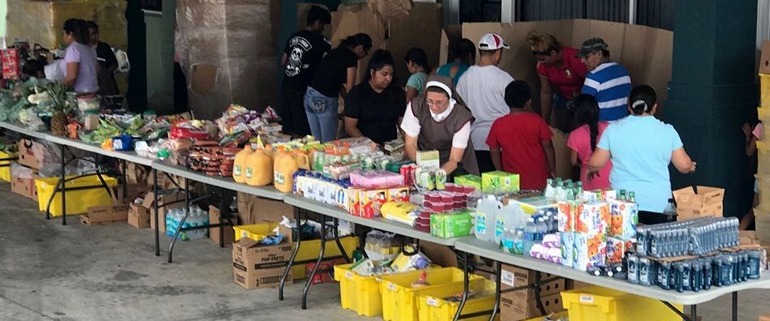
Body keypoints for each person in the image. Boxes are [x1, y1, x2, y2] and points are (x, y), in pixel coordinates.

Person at [588, 85, 696, 224]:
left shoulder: (613, 130)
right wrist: (691, 167)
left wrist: (593, 169)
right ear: (655, 107)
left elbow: (595, 163)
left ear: (629, 106)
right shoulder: (667, 131)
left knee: (623, 245)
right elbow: (683, 165)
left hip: (622, 205)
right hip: (658, 205)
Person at [456, 33, 515, 173]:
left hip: (474, 141)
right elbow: (516, 108)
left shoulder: (464, 78)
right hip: (500, 142)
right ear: (498, 53)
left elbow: (459, 107)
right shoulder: (504, 78)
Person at [400, 75, 478, 176]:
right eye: (430, 101)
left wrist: (437, 175)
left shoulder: (461, 117)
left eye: (439, 102)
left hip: (453, 164)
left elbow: (454, 160)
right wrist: (423, 170)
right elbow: (410, 145)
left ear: (449, 98)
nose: (434, 107)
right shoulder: (417, 106)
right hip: (422, 158)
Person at [486, 80, 555, 190]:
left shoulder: (498, 124)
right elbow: (548, 146)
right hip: (539, 180)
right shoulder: (537, 121)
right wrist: (552, 170)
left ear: (506, 101)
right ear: (529, 101)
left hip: (511, 182)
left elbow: (494, 151)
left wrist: (500, 173)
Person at [306, 33, 372, 143]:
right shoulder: (351, 57)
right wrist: (352, 110)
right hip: (324, 99)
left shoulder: (336, 52)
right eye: (365, 53)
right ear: (360, 48)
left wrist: (345, 98)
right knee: (329, 144)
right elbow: (350, 88)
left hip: (309, 96)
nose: (363, 57)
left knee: (316, 143)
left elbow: (336, 82)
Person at [280, 6, 332, 137]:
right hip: (304, 88)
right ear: (317, 22)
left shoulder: (293, 37)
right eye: (323, 25)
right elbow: (326, 67)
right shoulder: (322, 42)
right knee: (304, 128)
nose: (322, 29)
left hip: (287, 84)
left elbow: (283, 61)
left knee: (288, 124)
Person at [527, 32, 588, 132]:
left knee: (580, 129)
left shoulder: (577, 59)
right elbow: (546, 92)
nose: (540, 63)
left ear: (553, 53)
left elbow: (593, 83)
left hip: (583, 98)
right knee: (556, 129)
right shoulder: (542, 67)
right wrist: (544, 120)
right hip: (563, 97)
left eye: (543, 59)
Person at [344, 50, 406, 145]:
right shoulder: (357, 94)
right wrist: (369, 144)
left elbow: (402, 123)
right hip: (364, 147)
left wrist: (409, 143)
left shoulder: (397, 93)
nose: (388, 78)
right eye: (384, 74)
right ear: (372, 72)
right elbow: (350, 127)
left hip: (390, 145)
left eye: (391, 74)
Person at [577, 37, 631, 121]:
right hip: (622, 126)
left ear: (599, 54)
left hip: (602, 129)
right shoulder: (623, 71)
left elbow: (583, 109)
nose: (582, 61)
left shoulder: (593, 77)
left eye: (586, 57)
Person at [567, 94, 611, 190]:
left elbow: (573, 161)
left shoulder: (575, 135)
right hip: (609, 175)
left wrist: (583, 163)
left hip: (587, 176)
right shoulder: (608, 127)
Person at [62, 18, 98, 94]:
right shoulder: (90, 49)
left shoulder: (73, 49)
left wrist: (59, 89)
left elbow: (71, 77)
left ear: (70, 34)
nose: (63, 37)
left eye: (64, 34)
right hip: (93, 90)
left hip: (81, 92)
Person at [86, 21, 119, 96]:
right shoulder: (84, 49)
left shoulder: (104, 47)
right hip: (90, 87)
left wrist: (105, 73)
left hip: (106, 86)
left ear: (97, 34)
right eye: (89, 34)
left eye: (93, 33)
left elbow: (114, 64)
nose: (92, 36)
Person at [740, 121, 761, 230]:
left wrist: (748, 136)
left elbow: (749, 151)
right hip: (763, 176)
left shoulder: (761, 127)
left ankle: (737, 238)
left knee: (754, 209)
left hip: (762, 176)